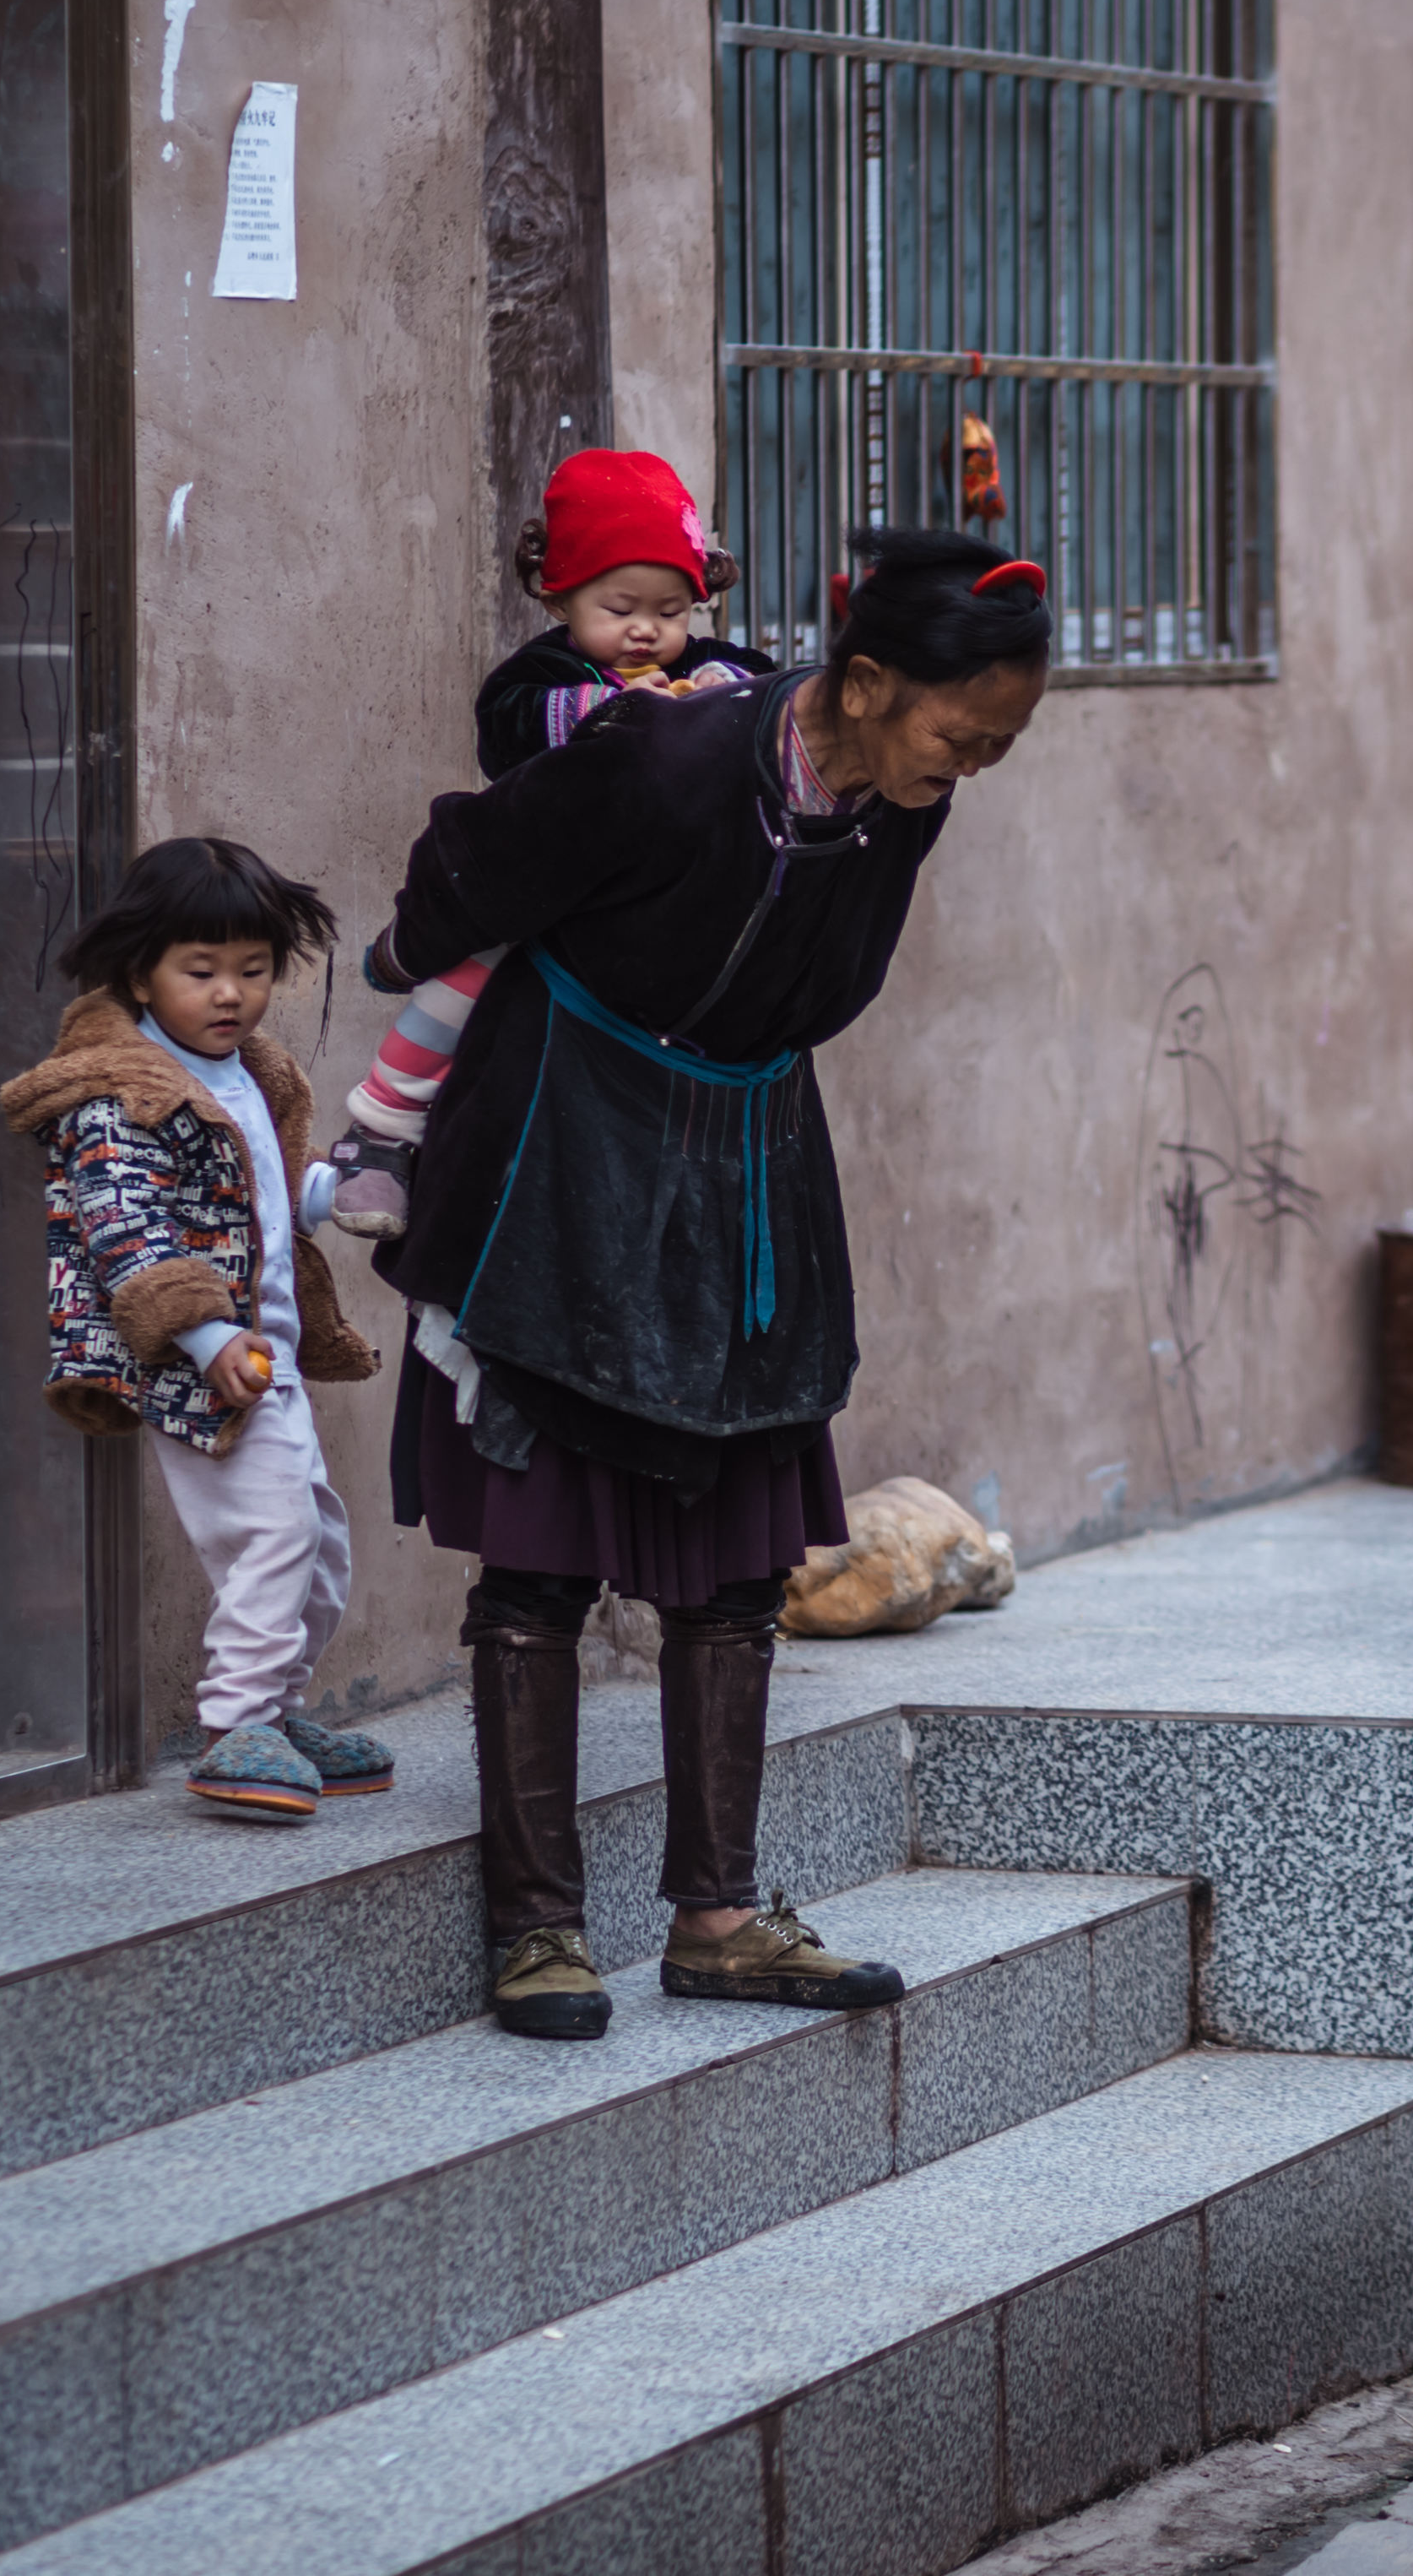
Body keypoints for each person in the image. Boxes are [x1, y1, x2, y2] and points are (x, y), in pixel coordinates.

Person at [368, 528, 1052, 2038]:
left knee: (738, 1565)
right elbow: (464, 871)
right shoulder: (658, 759)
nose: (977, 765)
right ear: (864, 682)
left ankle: (719, 1915)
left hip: (744, 1160)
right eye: (963, 730)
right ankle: (538, 1929)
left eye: (1003, 741)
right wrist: (417, 1009)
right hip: (562, 1145)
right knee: (539, 1561)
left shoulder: (898, 802)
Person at [3, 837, 391, 1823]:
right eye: (202, 972)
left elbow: (253, 1186)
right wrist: (209, 1342)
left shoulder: (247, 1072)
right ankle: (233, 1727)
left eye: (253, 972)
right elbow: (126, 1232)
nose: (231, 995)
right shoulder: (116, 1094)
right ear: (142, 972)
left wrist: (330, 1194)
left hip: (266, 1354)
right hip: (196, 1359)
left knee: (321, 1544)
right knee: (271, 1530)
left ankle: (275, 1710)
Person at [331, 451, 773, 1243]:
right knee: (465, 981)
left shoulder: (703, 666)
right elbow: (508, 727)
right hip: (542, 879)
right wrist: (609, 710)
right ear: (561, 594)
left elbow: (769, 694)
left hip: (648, 890)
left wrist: (728, 696)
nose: (648, 629)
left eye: (672, 611)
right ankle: (382, 1128)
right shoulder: (542, 673)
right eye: (621, 605)